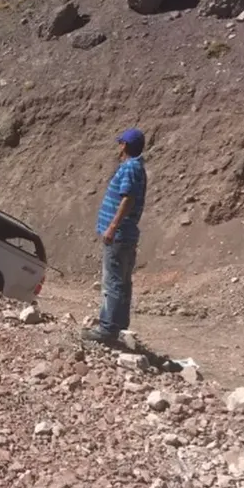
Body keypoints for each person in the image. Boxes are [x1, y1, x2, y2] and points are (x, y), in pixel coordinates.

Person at [82, 128, 148, 344]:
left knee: (112, 282)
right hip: (126, 233)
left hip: (119, 234)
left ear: (125, 146)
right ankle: (119, 326)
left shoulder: (130, 167)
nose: (118, 147)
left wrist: (112, 226)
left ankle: (107, 329)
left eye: (121, 143)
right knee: (122, 282)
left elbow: (127, 199)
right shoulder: (137, 167)